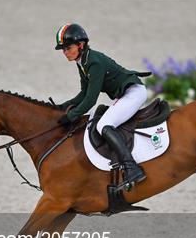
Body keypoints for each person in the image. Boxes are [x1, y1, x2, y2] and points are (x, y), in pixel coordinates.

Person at [55, 23, 151, 190]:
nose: (65, 52)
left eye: (67, 48)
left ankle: (132, 168)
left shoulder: (93, 62)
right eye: (62, 49)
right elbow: (83, 93)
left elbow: (91, 100)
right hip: (125, 94)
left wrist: (71, 116)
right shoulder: (82, 61)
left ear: (80, 45)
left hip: (133, 93)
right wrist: (61, 107)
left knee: (104, 125)